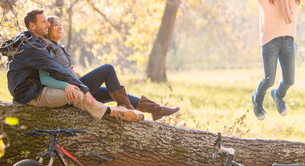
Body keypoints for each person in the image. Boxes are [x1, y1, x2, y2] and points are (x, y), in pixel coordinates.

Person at [2, 9, 142, 122]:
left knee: (97, 88)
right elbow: (54, 70)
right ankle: (113, 113)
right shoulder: (33, 47)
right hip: (30, 94)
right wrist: (80, 88)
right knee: (76, 94)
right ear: (32, 26)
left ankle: (148, 108)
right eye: (44, 22)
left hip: (32, 90)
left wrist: (71, 82)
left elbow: (55, 70)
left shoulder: (30, 41)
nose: (48, 25)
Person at [39, 16, 179, 121]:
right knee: (107, 69)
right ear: (47, 30)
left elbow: (61, 70)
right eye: (55, 26)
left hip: (77, 85)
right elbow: (46, 77)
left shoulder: (57, 48)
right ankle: (129, 108)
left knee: (110, 92)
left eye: (60, 25)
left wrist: (71, 72)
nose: (60, 27)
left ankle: (156, 109)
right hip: (73, 93)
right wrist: (66, 84)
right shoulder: (48, 49)